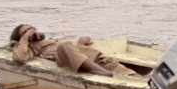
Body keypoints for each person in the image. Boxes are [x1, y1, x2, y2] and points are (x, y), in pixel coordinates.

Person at [9, 25, 140, 77]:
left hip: (84, 58)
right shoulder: (28, 47)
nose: (31, 31)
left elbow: (73, 51)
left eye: (32, 28)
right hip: (63, 60)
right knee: (64, 46)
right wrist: (25, 38)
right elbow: (19, 59)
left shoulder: (48, 40)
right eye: (26, 31)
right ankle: (102, 73)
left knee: (108, 61)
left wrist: (80, 43)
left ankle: (139, 78)